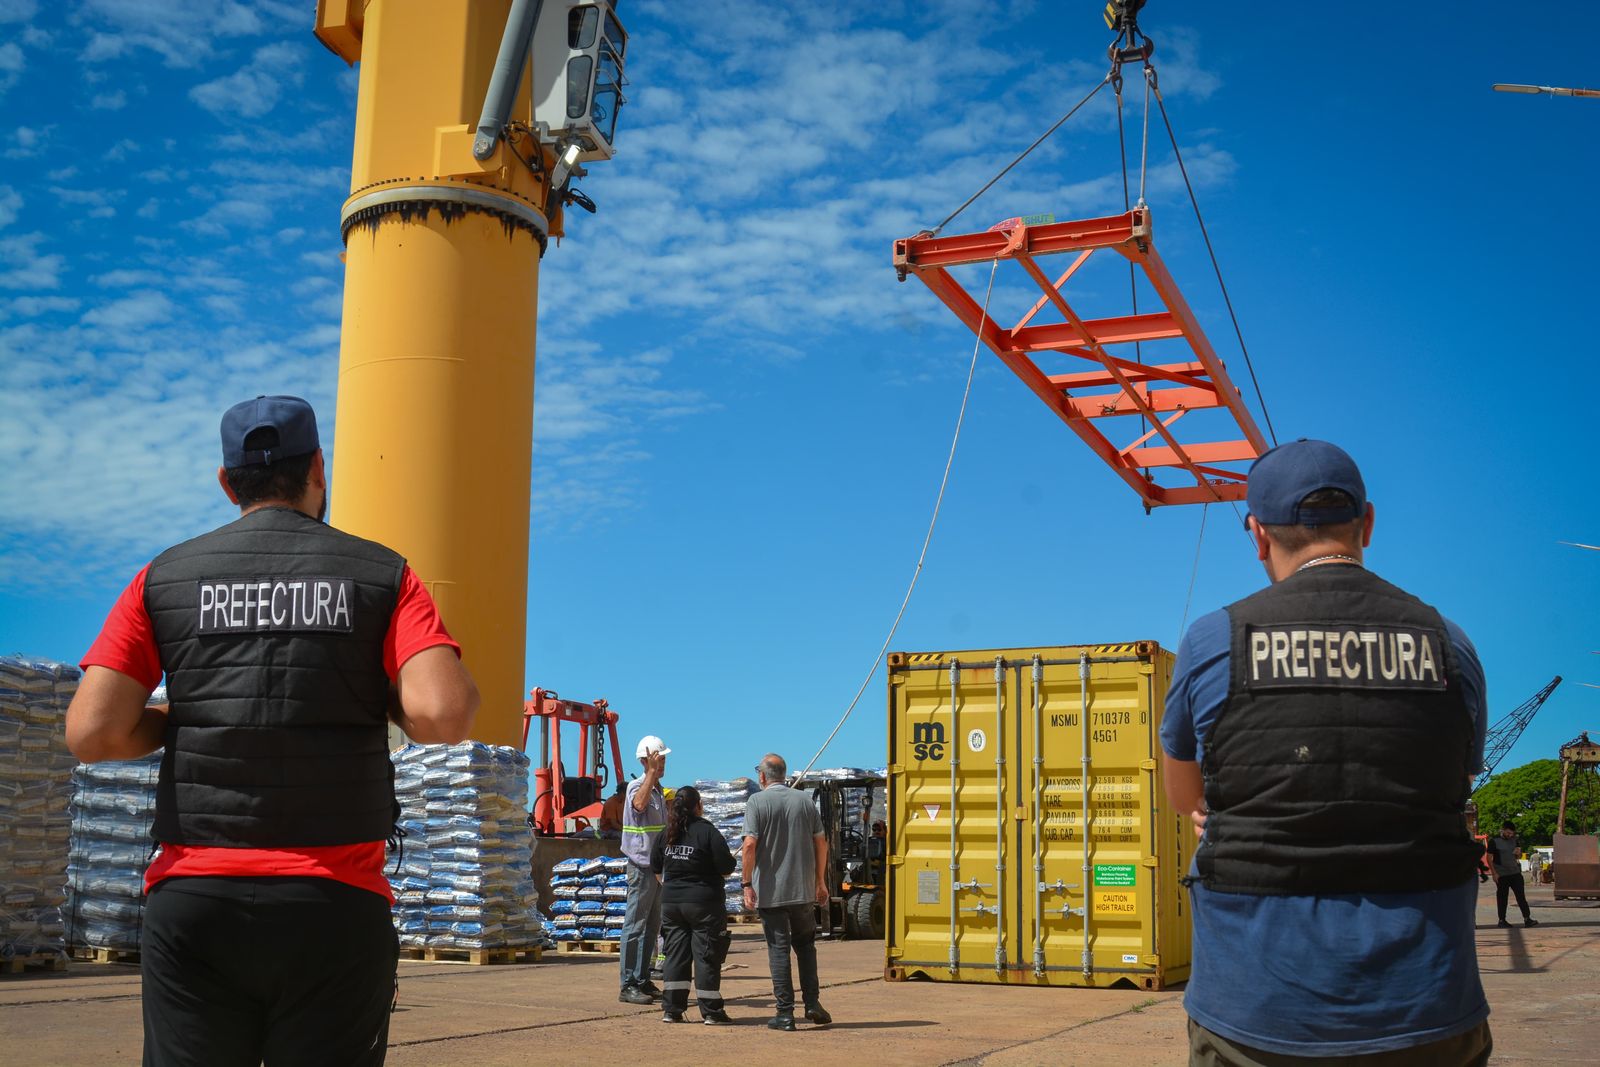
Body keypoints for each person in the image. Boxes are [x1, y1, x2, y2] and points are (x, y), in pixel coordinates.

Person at [66, 394, 479, 1067]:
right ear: (319, 466)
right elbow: (444, 712)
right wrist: (378, 698)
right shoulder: (383, 574)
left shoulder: (164, 577)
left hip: (196, 900)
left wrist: (183, 717)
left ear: (227, 483)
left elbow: (92, 731)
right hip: (332, 904)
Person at [1160, 439, 1492, 1066]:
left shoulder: (1212, 642)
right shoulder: (1450, 644)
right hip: (1427, 1004)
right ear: (1366, 523)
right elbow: (1457, 776)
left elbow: (1186, 797)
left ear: (1258, 534)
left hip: (1254, 1010)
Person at [741, 753, 831, 1031]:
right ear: (785, 775)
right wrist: (820, 881)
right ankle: (813, 1003)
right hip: (803, 890)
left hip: (772, 892)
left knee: (778, 950)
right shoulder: (804, 801)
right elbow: (821, 843)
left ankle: (784, 1013)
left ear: (763, 776)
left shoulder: (757, 801)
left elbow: (749, 846)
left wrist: (746, 884)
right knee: (806, 947)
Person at [650, 785, 736, 1025]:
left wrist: (670, 886)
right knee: (707, 956)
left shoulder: (666, 832)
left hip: (672, 904)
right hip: (704, 905)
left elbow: (655, 866)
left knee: (675, 955)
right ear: (699, 806)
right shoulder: (707, 832)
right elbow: (727, 867)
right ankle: (711, 1012)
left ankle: (672, 1010)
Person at [619, 734, 669, 1005]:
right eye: (657, 759)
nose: (662, 763)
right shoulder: (637, 787)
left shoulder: (660, 791)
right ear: (644, 760)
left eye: (662, 759)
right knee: (635, 926)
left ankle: (642, 978)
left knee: (652, 926)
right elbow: (638, 805)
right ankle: (627, 983)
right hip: (640, 865)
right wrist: (650, 774)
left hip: (658, 868)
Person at [1485, 821, 1539, 928]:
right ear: (1503, 830)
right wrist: (1494, 873)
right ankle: (1502, 920)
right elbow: (1489, 858)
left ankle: (1527, 919)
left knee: (1521, 896)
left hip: (1515, 873)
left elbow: (1517, 857)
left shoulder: (1515, 840)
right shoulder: (1494, 841)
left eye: (1512, 834)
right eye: (1508, 833)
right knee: (1502, 897)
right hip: (1501, 874)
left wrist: (1518, 854)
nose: (1510, 835)